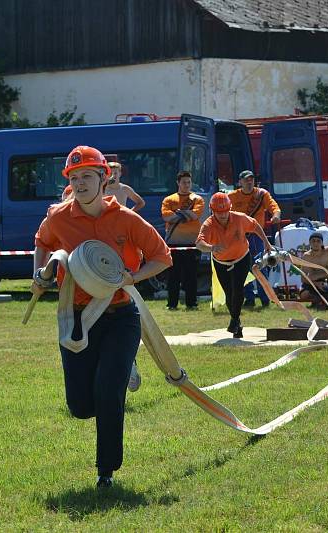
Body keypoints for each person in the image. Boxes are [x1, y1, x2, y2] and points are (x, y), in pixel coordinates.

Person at [32, 145, 172, 489]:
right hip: (77, 319)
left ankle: (105, 472)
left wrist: (130, 277)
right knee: (80, 405)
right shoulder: (58, 217)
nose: (80, 184)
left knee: (108, 392)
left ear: (103, 178)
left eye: (87, 177)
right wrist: (40, 271)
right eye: (74, 178)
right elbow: (42, 241)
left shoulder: (127, 218)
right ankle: (121, 374)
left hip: (121, 316)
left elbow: (162, 257)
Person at [196, 192, 272, 338]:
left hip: (241, 258)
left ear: (229, 208)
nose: (223, 215)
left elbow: (255, 226)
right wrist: (211, 247)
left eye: (225, 211)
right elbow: (199, 243)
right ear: (213, 211)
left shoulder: (239, 218)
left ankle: (234, 321)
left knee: (237, 289)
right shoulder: (208, 224)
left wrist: (266, 243)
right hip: (220, 262)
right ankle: (237, 321)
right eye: (219, 212)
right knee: (229, 293)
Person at [227, 170, 281, 307]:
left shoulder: (261, 194)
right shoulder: (232, 196)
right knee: (242, 267)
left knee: (260, 265)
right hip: (239, 237)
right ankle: (249, 298)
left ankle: (265, 298)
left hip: (256, 236)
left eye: (251, 179)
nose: (249, 182)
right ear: (240, 182)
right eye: (246, 180)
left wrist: (276, 215)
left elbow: (274, 207)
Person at [161, 171, 205, 310]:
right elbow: (166, 217)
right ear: (178, 183)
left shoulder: (197, 199)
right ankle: (172, 304)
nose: (186, 185)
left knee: (191, 276)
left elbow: (195, 215)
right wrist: (186, 214)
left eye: (189, 182)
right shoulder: (169, 199)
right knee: (173, 276)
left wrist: (178, 213)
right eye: (184, 182)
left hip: (192, 243)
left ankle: (191, 303)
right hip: (173, 243)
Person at [298, 233, 328, 309]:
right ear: (310, 243)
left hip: (326, 280)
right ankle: (318, 301)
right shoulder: (306, 256)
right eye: (313, 241)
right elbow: (303, 278)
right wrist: (316, 283)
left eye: (318, 241)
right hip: (312, 283)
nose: (316, 243)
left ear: (322, 243)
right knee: (303, 295)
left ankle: (327, 298)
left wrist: (317, 276)